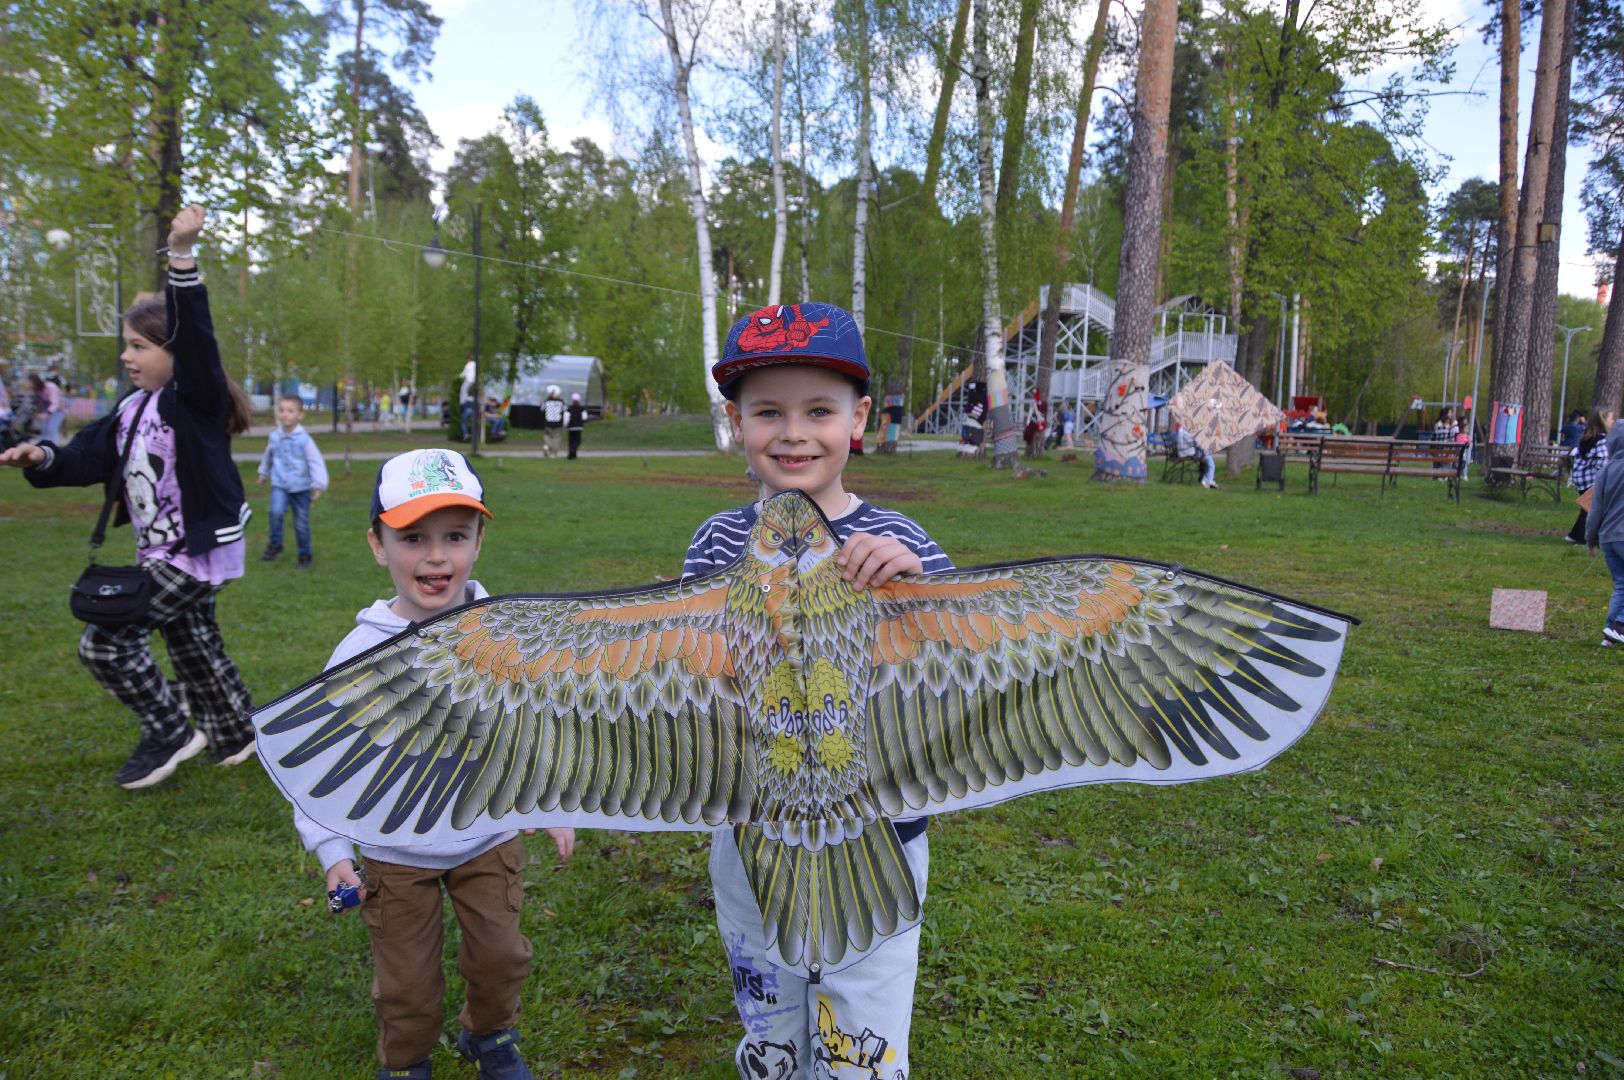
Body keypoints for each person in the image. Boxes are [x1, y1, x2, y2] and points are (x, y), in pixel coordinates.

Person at [682, 302, 952, 1080]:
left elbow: (951, 686)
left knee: (860, 1044)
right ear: (738, 422)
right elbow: (697, 685)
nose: (793, 432)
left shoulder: (905, 542)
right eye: (768, 411)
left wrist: (917, 589)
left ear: (858, 419)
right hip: (752, 834)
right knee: (770, 1030)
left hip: (878, 837)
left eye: (819, 411)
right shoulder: (717, 541)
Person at [296, 447, 576, 1080]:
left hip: (489, 837)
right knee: (408, 984)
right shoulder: (361, 651)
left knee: (501, 958)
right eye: (413, 537)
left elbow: (532, 721)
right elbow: (319, 758)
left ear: (478, 541)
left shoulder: (502, 634)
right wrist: (331, 848)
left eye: (455, 535)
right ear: (377, 544)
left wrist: (556, 800)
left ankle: (491, 1035)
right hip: (395, 850)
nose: (436, 556)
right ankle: (406, 1061)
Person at [1, 205, 259, 788]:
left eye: (140, 346)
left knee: (107, 644)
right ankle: (235, 733)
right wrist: (42, 457)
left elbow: (197, 339)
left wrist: (183, 257)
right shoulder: (128, 409)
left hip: (194, 551)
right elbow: (87, 456)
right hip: (159, 553)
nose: (126, 356)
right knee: (193, 644)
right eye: (126, 345)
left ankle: (170, 729)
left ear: (173, 354)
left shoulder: (193, 400)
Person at [257, 395, 329, 567]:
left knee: (301, 523)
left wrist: (319, 483)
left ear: (300, 415)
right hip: (280, 485)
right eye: (281, 410)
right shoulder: (274, 437)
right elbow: (269, 455)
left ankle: (305, 554)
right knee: (275, 512)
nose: (285, 415)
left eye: (290, 411)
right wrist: (263, 473)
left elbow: (315, 461)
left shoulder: (305, 440)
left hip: (301, 487)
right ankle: (276, 543)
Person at [1583, 420, 1624, 647]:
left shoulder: (1605, 470)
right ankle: (1620, 625)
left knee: (1621, 584)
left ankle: (1611, 634)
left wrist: (1591, 539)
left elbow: (1594, 510)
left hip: (1608, 537)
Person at [1567, 407, 1616, 545]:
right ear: (1603, 421)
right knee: (1591, 510)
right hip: (1593, 480)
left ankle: (1574, 535)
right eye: (1611, 418)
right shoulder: (1602, 441)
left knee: (1587, 509)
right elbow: (1603, 463)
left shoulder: (1588, 437)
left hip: (1582, 478)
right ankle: (1583, 538)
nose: (1613, 421)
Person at [1175, 423, 1218, 488]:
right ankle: (1208, 480)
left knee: (1207, 456)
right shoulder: (1186, 432)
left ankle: (1206, 479)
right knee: (1210, 461)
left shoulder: (1181, 430)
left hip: (1183, 452)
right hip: (1188, 453)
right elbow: (1195, 443)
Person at [37, 372, 66, 443]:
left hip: (58, 410)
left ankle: (53, 447)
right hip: (48, 410)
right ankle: (42, 447)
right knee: (44, 429)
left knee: (51, 428)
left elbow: (55, 404)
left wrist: (47, 413)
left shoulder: (52, 387)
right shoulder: (41, 388)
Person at [540, 384, 565, 457]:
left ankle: (547, 446)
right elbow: (565, 410)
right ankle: (553, 453)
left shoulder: (546, 401)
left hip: (548, 422)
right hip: (558, 423)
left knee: (547, 436)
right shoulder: (561, 402)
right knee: (556, 438)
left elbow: (541, 409)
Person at [458, 358, 477, 442]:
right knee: (473, 422)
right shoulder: (475, 365)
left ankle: (466, 434)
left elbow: (463, 374)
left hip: (467, 409)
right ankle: (474, 435)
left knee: (463, 422)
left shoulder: (468, 365)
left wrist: (459, 377)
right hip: (473, 409)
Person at [565, 391, 585, 459]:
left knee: (571, 441)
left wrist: (565, 425)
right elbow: (585, 417)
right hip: (579, 427)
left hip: (571, 427)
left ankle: (572, 454)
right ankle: (573, 452)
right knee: (577, 441)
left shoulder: (569, 408)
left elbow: (566, 417)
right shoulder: (582, 408)